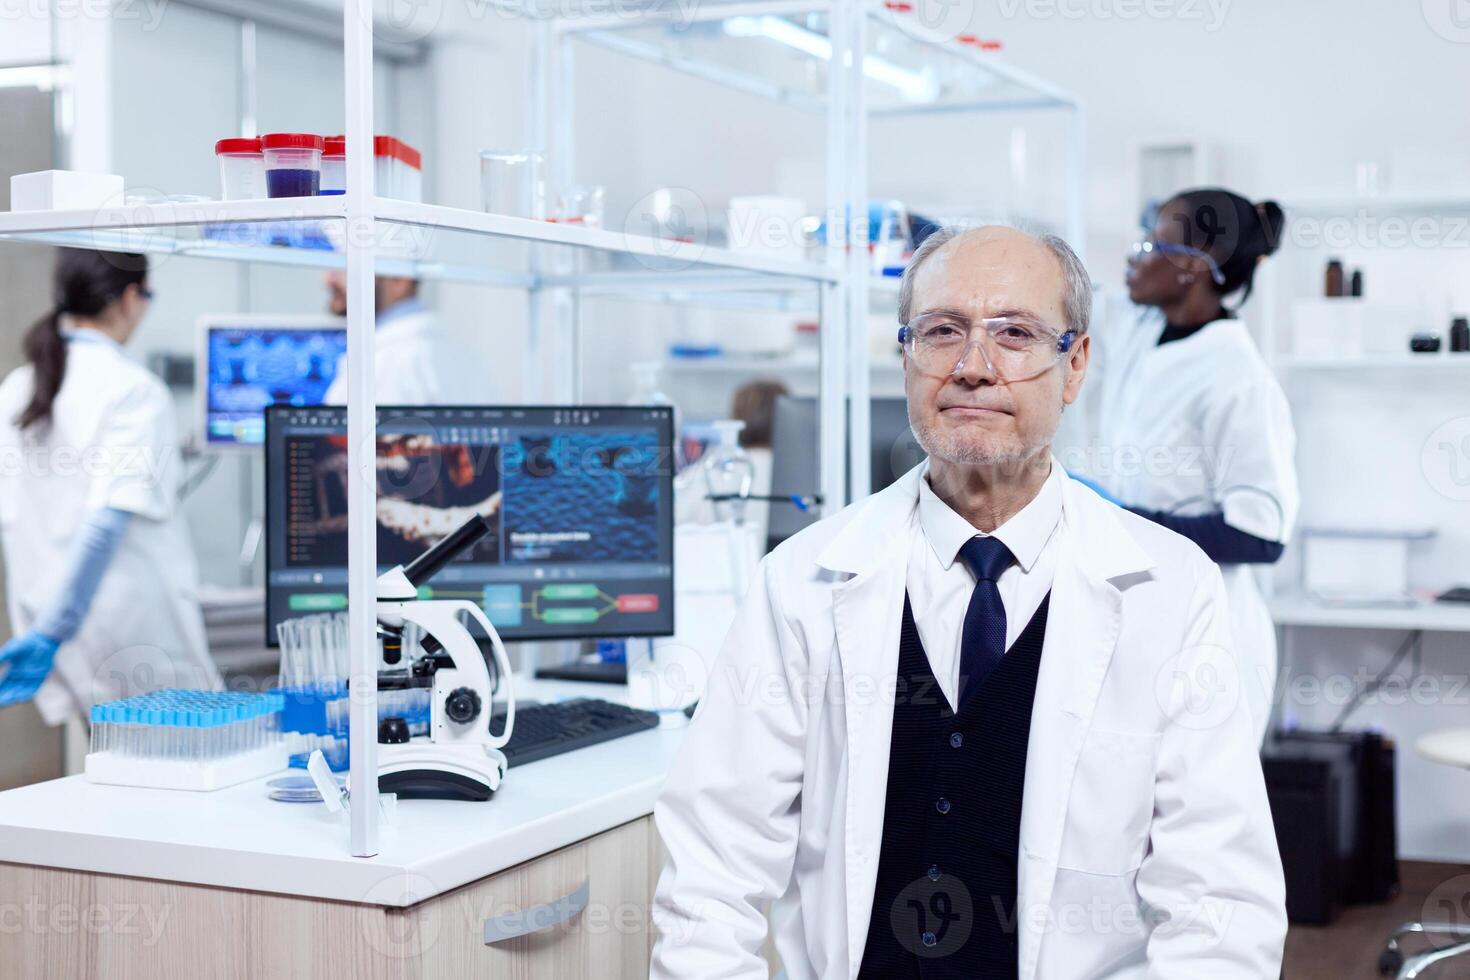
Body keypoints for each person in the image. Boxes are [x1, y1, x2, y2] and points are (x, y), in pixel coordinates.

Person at [651, 226, 1285, 979]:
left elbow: (1218, 906)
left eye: (1015, 334)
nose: (973, 368)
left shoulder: (1173, 591)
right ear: (908, 356)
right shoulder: (801, 582)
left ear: (1074, 364)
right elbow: (713, 868)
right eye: (942, 332)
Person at [1079, 188, 1298, 743]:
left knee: (1200, 821)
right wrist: (932, 234)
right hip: (1145, 623)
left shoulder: (1239, 379)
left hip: (1212, 641)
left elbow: (1261, 536)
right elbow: (1063, 295)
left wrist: (1125, 518)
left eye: (1151, 242)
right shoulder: (1142, 329)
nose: (1135, 256)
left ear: (1188, 269)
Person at [0, 249, 218, 723]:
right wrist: (56, 628)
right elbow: (106, 521)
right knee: (183, 773)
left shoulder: (18, 386)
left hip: (56, 626)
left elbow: (14, 517)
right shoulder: (133, 390)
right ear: (130, 297)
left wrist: (47, 630)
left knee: (114, 772)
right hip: (127, 633)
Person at [320, 271, 484, 405]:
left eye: (344, 265)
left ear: (399, 279)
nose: (327, 279)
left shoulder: (393, 360)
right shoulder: (466, 356)